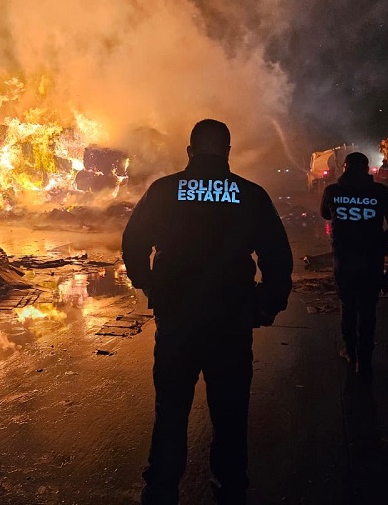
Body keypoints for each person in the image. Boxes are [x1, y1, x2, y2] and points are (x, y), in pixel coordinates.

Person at [122, 119, 293, 505]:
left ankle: (163, 487)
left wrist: (147, 283)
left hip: (178, 320)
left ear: (190, 151)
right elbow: (278, 258)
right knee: (230, 412)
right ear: (228, 152)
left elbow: (133, 242)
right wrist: (266, 304)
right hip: (231, 322)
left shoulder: (165, 190)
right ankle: (230, 487)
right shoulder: (250, 195)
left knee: (171, 407)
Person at [320, 152, 388, 383]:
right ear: (367, 168)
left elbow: (325, 214)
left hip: (344, 258)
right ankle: (365, 359)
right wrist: (380, 241)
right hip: (371, 259)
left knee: (348, 305)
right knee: (368, 308)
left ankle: (350, 351)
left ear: (344, 167)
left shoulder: (332, 191)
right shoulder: (381, 192)